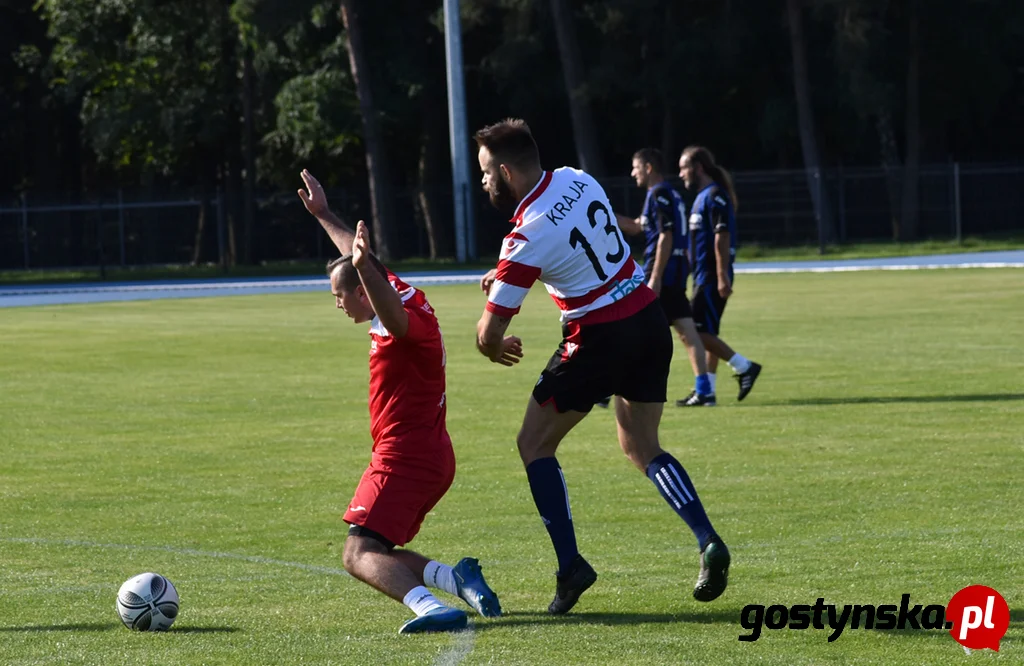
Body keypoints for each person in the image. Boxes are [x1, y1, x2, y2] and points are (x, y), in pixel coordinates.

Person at [472, 119, 730, 615]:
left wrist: (492, 348)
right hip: (646, 317)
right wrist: (507, 272)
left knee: (533, 443)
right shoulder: (576, 177)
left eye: (486, 172)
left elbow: (489, 334)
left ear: (506, 171)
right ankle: (707, 539)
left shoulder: (523, 239)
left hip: (597, 337)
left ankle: (571, 567)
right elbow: (576, 241)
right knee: (642, 445)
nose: (484, 182)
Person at [297, 169, 501, 634]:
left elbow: (380, 298)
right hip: (427, 453)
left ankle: (431, 608)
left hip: (404, 458)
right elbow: (360, 259)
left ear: (363, 293)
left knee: (357, 553)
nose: (337, 305)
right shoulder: (404, 292)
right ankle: (457, 579)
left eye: (338, 295)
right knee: (380, 548)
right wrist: (324, 214)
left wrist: (365, 269)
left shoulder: (397, 321)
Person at [615, 148, 716, 406]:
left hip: (661, 272)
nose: (632, 172)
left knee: (631, 324)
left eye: (636, 167)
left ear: (648, 167)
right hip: (677, 271)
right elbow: (639, 226)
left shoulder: (658, 194)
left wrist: (656, 277)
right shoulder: (668, 193)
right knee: (686, 330)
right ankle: (705, 390)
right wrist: (607, 216)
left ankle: (611, 388)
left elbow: (665, 235)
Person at [677, 147, 762, 402]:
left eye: (684, 167)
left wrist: (722, 275)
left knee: (695, 332)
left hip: (712, 277)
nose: (681, 174)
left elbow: (721, 236)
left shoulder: (715, 196)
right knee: (706, 333)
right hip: (703, 275)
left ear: (698, 167)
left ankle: (744, 367)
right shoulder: (704, 196)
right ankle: (707, 392)